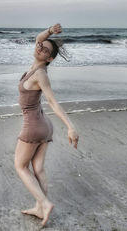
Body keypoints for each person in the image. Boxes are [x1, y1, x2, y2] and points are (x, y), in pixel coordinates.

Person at [14, 23, 79, 227]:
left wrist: (70, 126)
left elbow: (52, 101)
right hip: (43, 124)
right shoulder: (35, 66)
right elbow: (39, 38)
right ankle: (39, 208)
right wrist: (50, 31)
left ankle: (44, 203)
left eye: (46, 50)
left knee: (20, 166)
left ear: (49, 59)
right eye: (40, 46)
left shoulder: (41, 74)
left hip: (33, 125)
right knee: (38, 168)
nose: (40, 48)